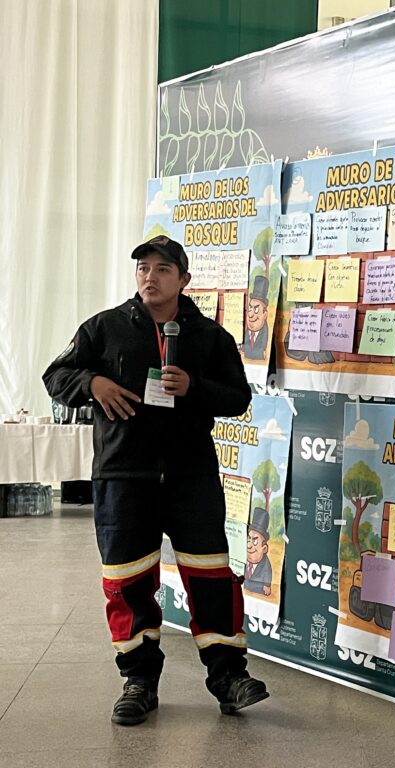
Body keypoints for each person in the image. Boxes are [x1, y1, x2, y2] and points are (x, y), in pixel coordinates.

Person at [42, 235, 269, 726]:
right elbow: (56, 375)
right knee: (127, 580)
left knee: (211, 575)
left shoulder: (210, 337)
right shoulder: (103, 328)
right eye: (143, 267)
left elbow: (237, 398)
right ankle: (138, 680)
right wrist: (92, 383)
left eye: (163, 269)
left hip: (191, 477)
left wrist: (195, 388)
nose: (150, 276)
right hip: (125, 477)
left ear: (184, 280)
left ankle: (229, 677)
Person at [243, 507, 273, 595]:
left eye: (255, 541)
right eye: (249, 539)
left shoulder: (265, 564)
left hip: (258, 587)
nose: (249, 545)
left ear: (264, 548)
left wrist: (267, 585)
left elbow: (267, 574)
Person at [241, 275, 269, 360]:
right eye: (250, 308)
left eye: (256, 309)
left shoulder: (264, 331)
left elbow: (263, 352)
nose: (250, 314)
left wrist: (249, 352)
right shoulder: (246, 330)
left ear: (265, 314)